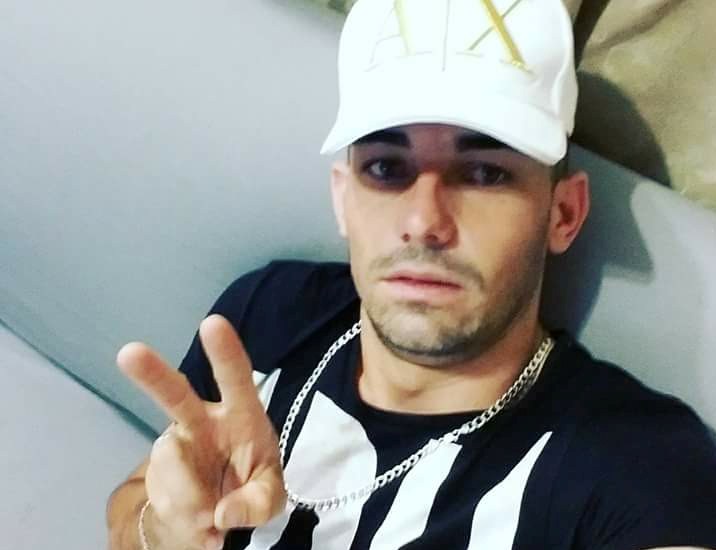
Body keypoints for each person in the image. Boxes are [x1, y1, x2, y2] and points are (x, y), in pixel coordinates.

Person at [106, 0, 716, 549]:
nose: (424, 222)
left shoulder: (633, 464)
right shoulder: (266, 320)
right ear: (342, 199)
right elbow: (129, 514)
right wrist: (166, 533)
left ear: (564, 214)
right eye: (385, 168)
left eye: (484, 174)